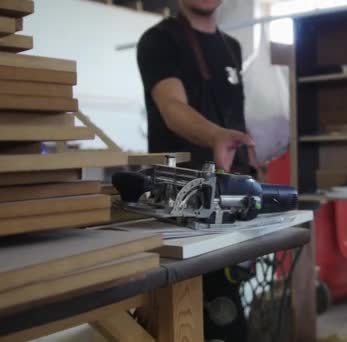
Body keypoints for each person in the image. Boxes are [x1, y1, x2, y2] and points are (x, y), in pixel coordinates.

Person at [137, 1, 253, 341]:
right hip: (179, 207)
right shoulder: (159, 40)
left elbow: (235, 119)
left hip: (229, 202)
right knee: (178, 320)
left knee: (227, 316)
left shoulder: (232, 48)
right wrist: (215, 135)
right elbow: (173, 108)